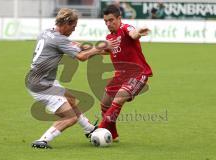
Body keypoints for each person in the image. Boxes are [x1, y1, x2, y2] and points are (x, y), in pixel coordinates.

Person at [25, 8, 105, 149]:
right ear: (66, 23)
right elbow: (81, 57)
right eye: (73, 27)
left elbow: (75, 45)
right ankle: (42, 141)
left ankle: (89, 129)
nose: (74, 30)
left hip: (41, 80)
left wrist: (95, 48)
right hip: (41, 85)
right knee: (70, 117)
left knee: (71, 99)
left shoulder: (48, 32)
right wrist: (99, 48)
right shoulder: (59, 40)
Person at [98, 5, 153, 142]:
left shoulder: (125, 28)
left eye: (111, 20)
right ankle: (113, 134)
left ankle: (100, 130)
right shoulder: (109, 37)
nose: (108, 24)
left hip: (137, 74)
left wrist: (139, 32)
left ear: (119, 18)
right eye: (106, 21)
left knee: (118, 99)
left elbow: (133, 34)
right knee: (105, 103)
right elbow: (106, 50)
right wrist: (85, 51)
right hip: (120, 76)